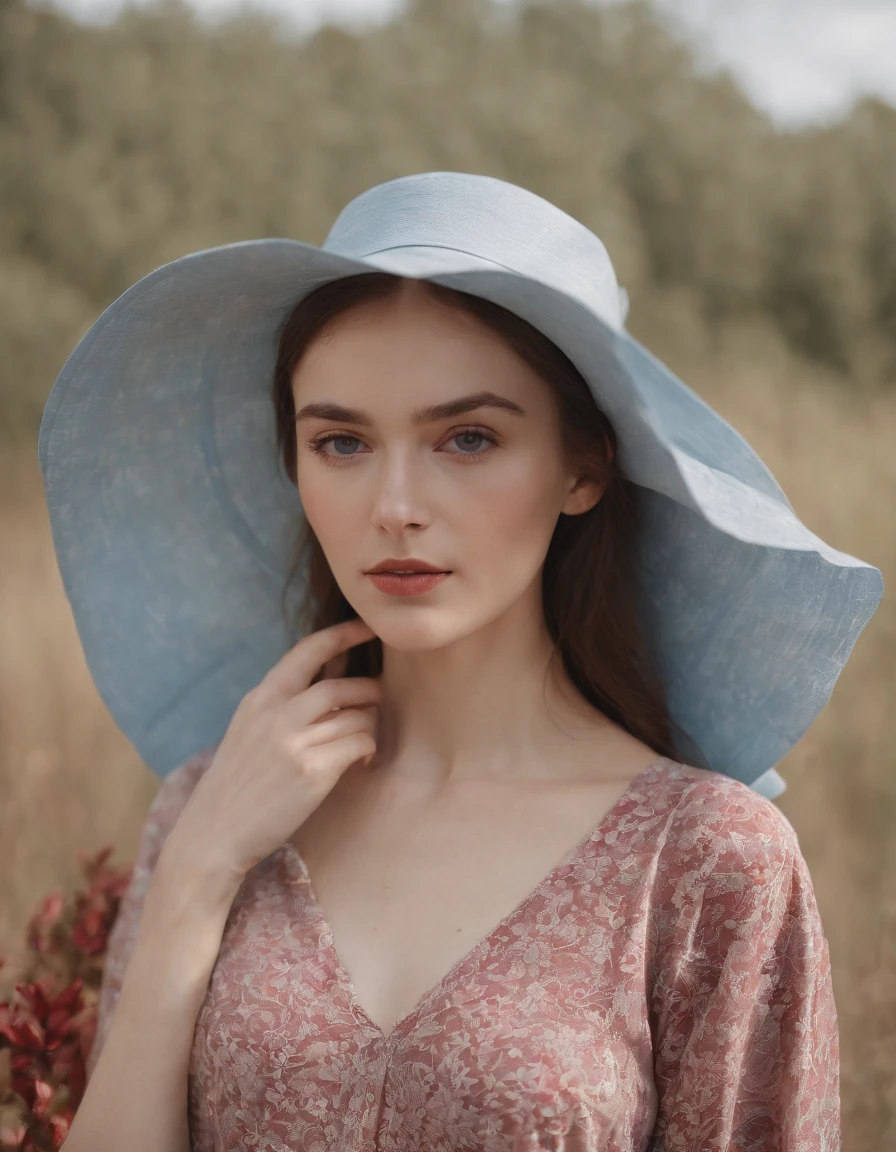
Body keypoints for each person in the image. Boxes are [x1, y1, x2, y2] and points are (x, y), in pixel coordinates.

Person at [40, 173, 879, 1150]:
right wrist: (196, 873)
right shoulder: (212, 805)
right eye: (342, 441)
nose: (393, 502)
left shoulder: (704, 858)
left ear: (581, 467)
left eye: (466, 438)